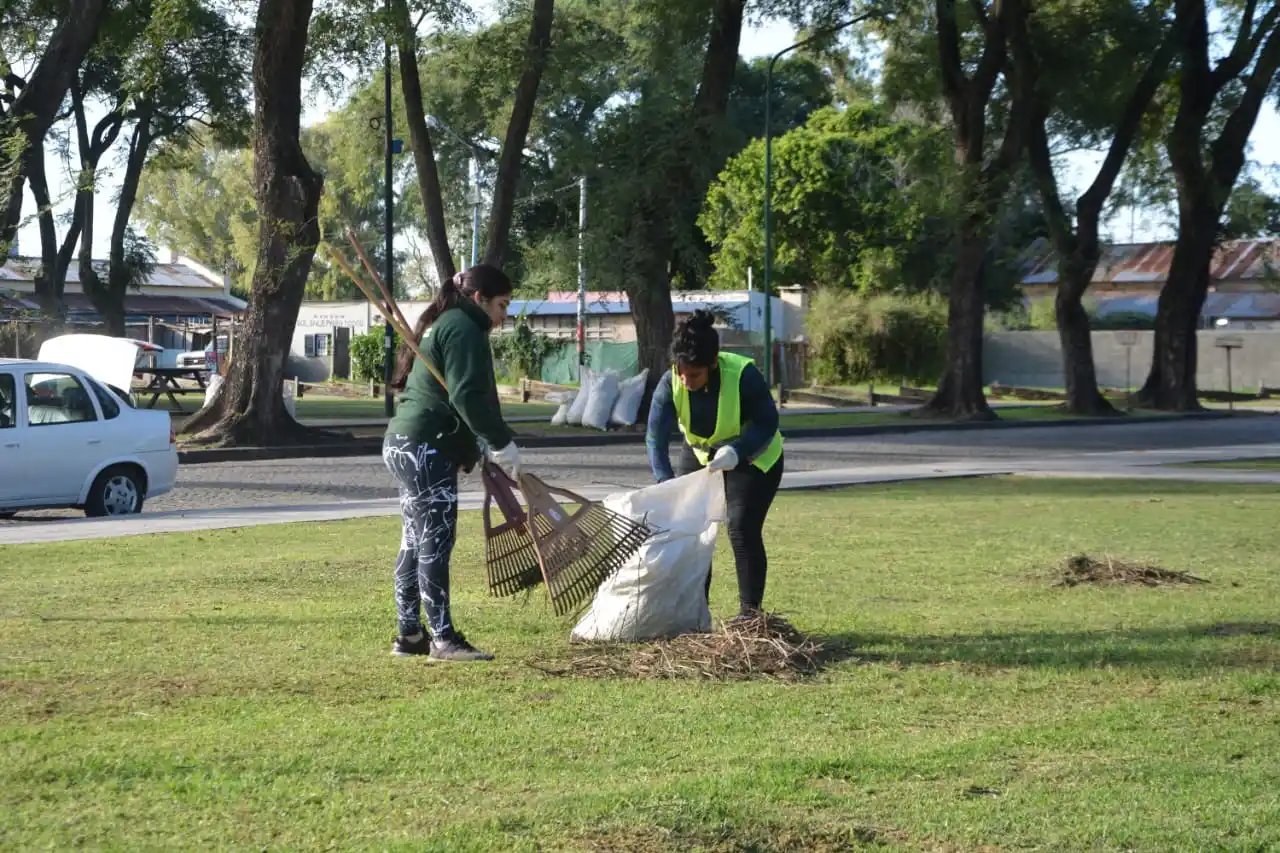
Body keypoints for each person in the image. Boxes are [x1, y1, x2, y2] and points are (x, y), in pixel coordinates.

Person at [382, 265, 522, 662]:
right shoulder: (464, 327)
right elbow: (467, 397)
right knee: (435, 541)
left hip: (404, 443)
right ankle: (443, 639)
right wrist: (500, 443)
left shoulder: (447, 322)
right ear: (479, 299)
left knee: (415, 540)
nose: (503, 316)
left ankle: (410, 634)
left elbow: (457, 397)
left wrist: (473, 448)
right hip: (426, 447)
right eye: (501, 305)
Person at [645, 309, 785, 621]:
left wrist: (737, 450)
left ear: (712, 364)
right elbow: (655, 438)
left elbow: (767, 422)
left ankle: (749, 615)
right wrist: (665, 481)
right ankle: (696, 612)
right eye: (681, 372)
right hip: (701, 453)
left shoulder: (743, 375)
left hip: (756, 456)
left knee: (740, 526)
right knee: (692, 531)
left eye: (694, 375)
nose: (686, 381)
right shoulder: (670, 382)